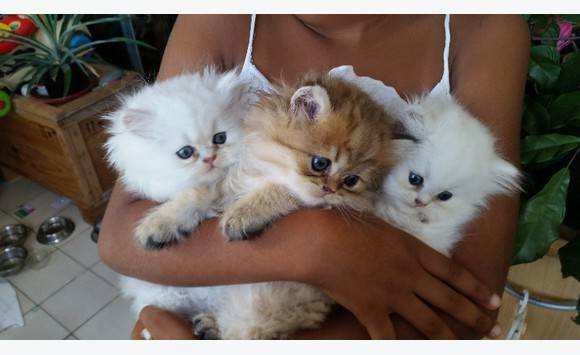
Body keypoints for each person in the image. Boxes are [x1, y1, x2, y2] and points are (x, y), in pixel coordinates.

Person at [98, 14, 530, 340]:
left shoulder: (485, 28)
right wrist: (322, 245)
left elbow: (467, 304)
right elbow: (121, 237)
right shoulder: (220, 18)